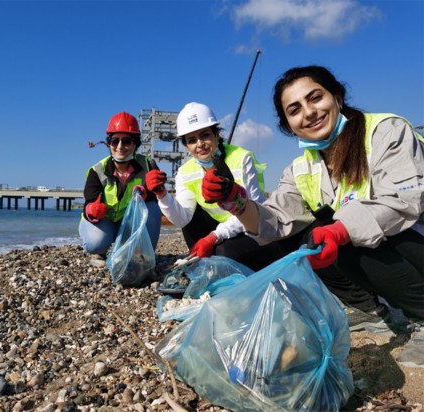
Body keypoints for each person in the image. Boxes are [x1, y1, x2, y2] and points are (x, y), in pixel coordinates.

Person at [201, 65, 424, 365]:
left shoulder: (386, 132)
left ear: (338, 97)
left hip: (416, 234)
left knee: (342, 234)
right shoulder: (301, 168)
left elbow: (406, 201)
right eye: (294, 110)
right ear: (289, 126)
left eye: (315, 98)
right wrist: (235, 201)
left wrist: (341, 230)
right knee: (306, 240)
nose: (308, 112)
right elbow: (274, 223)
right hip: (392, 247)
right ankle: (373, 313)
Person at [145, 102, 285, 271]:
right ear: (186, 146)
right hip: (220, 230)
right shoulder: (185, 172)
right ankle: (203, 260)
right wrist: (162, 195)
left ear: (216, 135)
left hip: (253, 229)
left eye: (205, 135)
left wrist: (214, 236)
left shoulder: (241, 159)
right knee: (192, 215)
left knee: (224, 252)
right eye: (191, 140)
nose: (200, 144)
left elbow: (254, 213)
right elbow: (182, 219)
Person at [79, 112, 162, 267]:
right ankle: (100, 250)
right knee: (95, 243)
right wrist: (92, 210)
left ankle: (144, 253)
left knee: (154, 208)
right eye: (115, 141)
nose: (119, 146)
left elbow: (158, 198)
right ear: (109, 143)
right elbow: (89, 202)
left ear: (135, 144)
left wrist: (150, 193)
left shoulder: (149, 165)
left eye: (126, 141)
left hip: (130, 222)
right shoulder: (97, 171)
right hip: (106, 220)